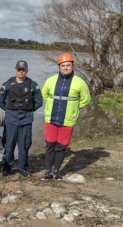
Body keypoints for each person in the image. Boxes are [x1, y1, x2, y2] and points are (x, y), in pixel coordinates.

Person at [41, 53, 91, 181]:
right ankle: (47, 171)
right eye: (63, 65)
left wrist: (73, 108)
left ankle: (57, 171)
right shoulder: (50, 80)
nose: (66, 67)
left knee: (62, 147)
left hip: (68, 120)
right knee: (50, 146)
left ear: (72, 66)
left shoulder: (80, 82)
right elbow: (44, 95)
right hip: (51, 119)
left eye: (68, 65)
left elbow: (86, 100)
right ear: (59, 66)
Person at [0, 60, 43, 178]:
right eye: (19, 69)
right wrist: (9, 110)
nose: (21, 71)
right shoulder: (7, 84)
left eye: (23, 69)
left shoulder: (33, 85)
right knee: (9, 144)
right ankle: (7, 167)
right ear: (15, 70)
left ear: (27, 70)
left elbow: (39, 102)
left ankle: (23, 168)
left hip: (26, 120)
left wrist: (28, 110)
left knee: (24, 145)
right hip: (11, 119)